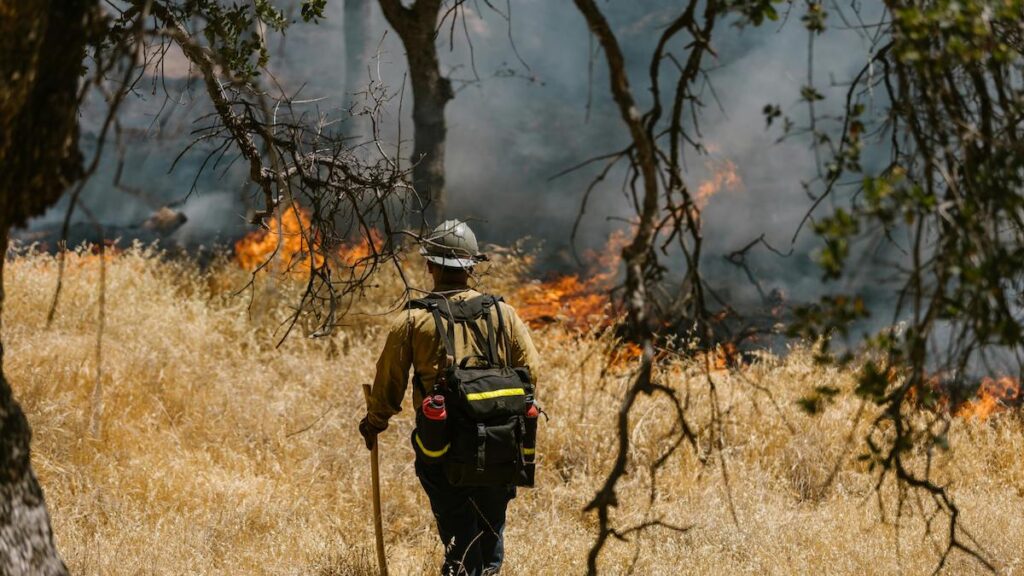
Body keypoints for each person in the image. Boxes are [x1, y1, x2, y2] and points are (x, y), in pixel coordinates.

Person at [359, 220, 541, 576]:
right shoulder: (504, 315)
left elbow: (389, 386)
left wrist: (373, 422)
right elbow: (530, 372)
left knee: (459, 536)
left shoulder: (413, 320)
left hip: (442, 447)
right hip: (501, 446)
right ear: (472, 266)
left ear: (430, 266)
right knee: (490, 536)